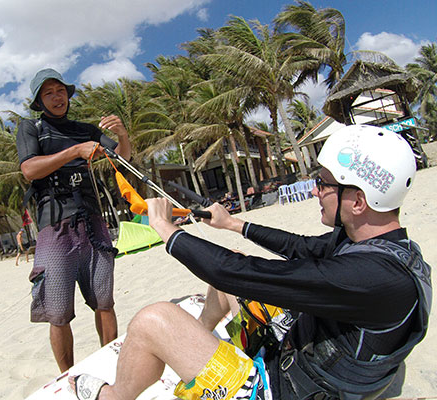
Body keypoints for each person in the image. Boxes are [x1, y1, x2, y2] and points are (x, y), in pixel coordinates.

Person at [69, 124, 431, 400]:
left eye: (323, 183)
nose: (315, 190)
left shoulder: (370, 277)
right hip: (309, 365)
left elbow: (237, 273)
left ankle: (110, 396)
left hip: (282, 389)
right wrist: (233, 224)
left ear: (358, 200)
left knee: (153, 320)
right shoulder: (381, 246)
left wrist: (166, 230)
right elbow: (301, 247)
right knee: (234, 270)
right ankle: (201, 336)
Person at [16, 68, 131, 373]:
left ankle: (110, 364)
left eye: (61, 91)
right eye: (49, 93)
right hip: (55, 226)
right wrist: (74, 152)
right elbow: (29, 169)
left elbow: (121, 158)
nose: (57, 97)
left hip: (92, 221)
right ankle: (67, 375)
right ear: (39, 101)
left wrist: (121, 135)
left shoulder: (86, 130)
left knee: (104, 300)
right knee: (58, 311)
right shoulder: (32, 128)